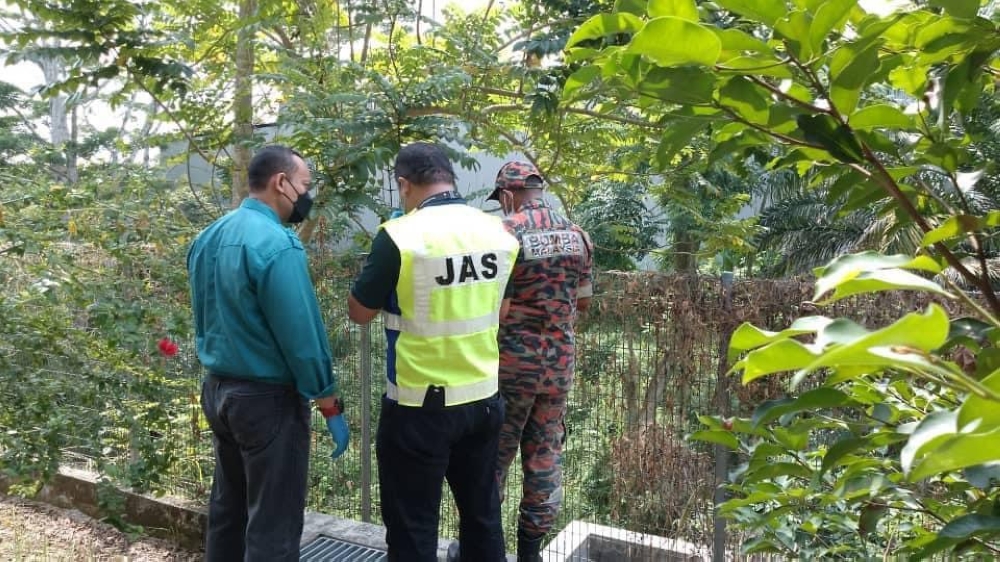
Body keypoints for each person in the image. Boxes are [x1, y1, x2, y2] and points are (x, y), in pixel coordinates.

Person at [348, 142, 519, 562]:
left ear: (404, 184)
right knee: (482, 517)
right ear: (450, 178)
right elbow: (503, 307)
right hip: (483, 399)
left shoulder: (399, 236)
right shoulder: (498, 232)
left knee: (412, 528)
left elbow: (358, 312)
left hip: (419, 405)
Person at [187, 145, 349, 562]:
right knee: (272, 526)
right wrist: (328, 402)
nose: (307, 196)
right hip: (266, 402)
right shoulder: (278, 244)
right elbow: (302, 335)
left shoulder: (208, 237)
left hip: (218, 393)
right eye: (306, 185)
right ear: (282, 182)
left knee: (228, 511)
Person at [488, 161, 594, 562]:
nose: (501, 206)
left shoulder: (506, 233)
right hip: (558, 366)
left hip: (511, 366)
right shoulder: (578, 235)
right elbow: (583, 302)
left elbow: (499, 308)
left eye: (500, 199)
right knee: (545, 454)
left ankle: (485, 548)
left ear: (509, 193)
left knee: (493, 455)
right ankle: (530, 554)